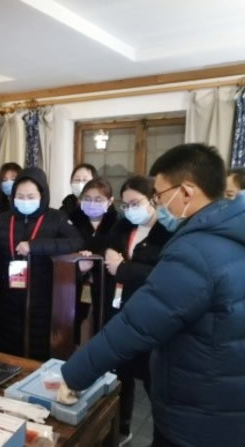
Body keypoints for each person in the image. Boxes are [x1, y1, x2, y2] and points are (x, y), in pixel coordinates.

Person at [60, 144, 245, 447]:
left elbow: (136, 324)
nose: (158, 204)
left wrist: (74, 374)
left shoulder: (197, 250)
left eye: (159, 195)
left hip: (199, 412)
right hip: (227, 399)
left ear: (186, 192)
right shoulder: (232, 232)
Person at [103, 176, 172, 445]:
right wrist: (109, 255)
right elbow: (109, 248)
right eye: (126, 204)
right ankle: (122, 428)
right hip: (121, 311)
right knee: (121, 374)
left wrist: (124, 268)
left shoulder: (167, 230)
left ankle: (163, 435)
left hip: (152, 315)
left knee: (155, 380)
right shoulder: (123, 226)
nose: (130, 209)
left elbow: (165, 273)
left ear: (153, 199)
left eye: (136, 203)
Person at [0, 167, 83, 360]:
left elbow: (76, 242)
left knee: (38, 353)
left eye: (31, 196)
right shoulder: (3, 220)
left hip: (43, 297)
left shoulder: (56, 217)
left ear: (42, 195)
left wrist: (35, 246)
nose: (25, 200)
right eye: (20, 196)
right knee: (9, 352)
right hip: (9, 298)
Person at [68, 177, 119, 338]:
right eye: (87, 199)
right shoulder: (71, 221)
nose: (92, 203)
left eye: (98, 200)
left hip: (107, 283)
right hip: (77, 282)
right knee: (76, 324)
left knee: (103, 323)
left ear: (110, 201)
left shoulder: (118, 223)